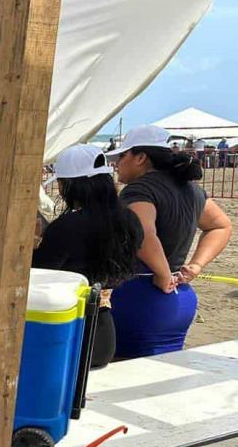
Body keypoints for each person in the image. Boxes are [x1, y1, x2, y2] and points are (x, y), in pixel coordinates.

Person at [107, 125, 232, 358]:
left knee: (124, 377)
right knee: (161, 378)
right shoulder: (191, 189)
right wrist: (195, 266)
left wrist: (163, 274)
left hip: (141, 295)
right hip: (180, 297)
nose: (116, 163)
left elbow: (142, 232)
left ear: (141, 157)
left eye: (122, 156)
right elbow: (221, 226)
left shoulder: (139, 190)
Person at [34, 144, 142, 367]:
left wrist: (32, 244)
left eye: (62, 184)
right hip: (103, 329)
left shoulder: (67, 226)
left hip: (67, 330)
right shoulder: (129, 221)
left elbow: (38, 274)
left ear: (73, 186)